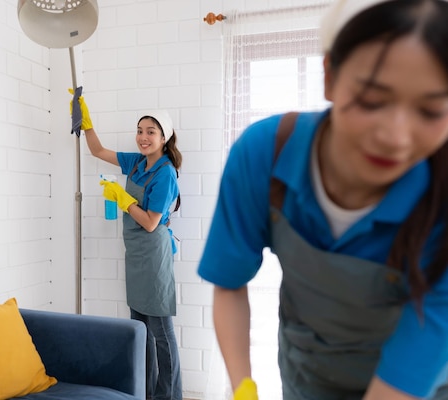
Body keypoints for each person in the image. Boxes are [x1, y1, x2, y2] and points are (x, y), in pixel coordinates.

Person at [197, 0, 448, 399]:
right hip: (308, 377)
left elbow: (420, 352)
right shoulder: (264, 155)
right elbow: (229, 285)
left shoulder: (439, 197)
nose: (396, 137)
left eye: (431, 110)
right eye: (371, 99)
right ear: (329, 75)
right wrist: (243, 388)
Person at [71, 91, 183, 400]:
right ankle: (146, 394)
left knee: (161, 333)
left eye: (151, 132)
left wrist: (124, 199)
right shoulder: (136, 163)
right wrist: (86, 120)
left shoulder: (165, 173)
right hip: (135, 257)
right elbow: (96, 150)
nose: (143, 137)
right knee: (141, 332)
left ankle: (170, 396)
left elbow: (150, 222)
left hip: (155, 259)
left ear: (164, 137)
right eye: (140, 130)